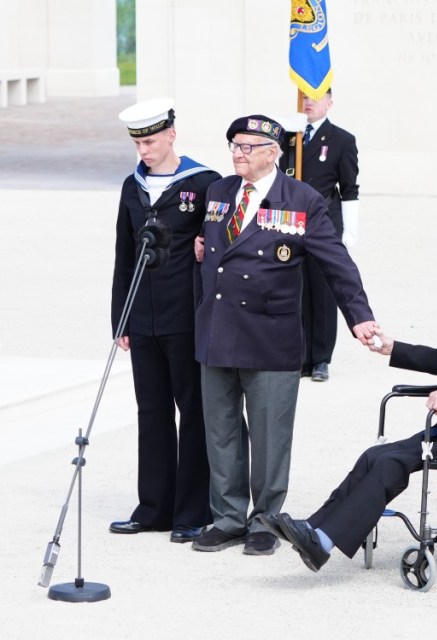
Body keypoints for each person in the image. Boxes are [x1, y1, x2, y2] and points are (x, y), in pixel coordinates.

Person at [254, 269, 437, 573]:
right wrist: (391, 348)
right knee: (373, 456)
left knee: (389, 463)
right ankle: (313, 529)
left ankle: (323, 542)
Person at [191, 114, 378, 556]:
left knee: (270, 436)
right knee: (220, 433)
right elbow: (211, 251)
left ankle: (263, 520)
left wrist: (360, 317)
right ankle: (228, 518)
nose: (239, 153)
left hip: (268, 335)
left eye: (248, 147)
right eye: (235, 145)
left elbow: (336, 263)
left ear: (274, 152)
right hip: (217, 331)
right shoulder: (219, 192)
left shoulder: (302, 199)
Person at [109, 98, 220, 543]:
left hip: (187, 317)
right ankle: (153, 506)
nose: (144, 151)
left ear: (172, 135)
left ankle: (193, 511)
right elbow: (124, 255)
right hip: (144, 318)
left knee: (193, 411)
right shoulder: (131, 187)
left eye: (151, 141)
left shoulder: (204, 182)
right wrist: (121, 318)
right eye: (138, 143)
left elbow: (218, 249)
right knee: (151, 412)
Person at [279, 88, 360, 382]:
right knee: (296, 289)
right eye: (304, 97)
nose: (308, 102)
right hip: (291, 222)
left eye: (315, 97)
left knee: (323, 292)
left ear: (329, 102)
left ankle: (321, 358)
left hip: (324, 222)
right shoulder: (290, 138)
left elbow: (350, 189)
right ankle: (302, 355)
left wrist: (349, 232)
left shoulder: (342, 140)